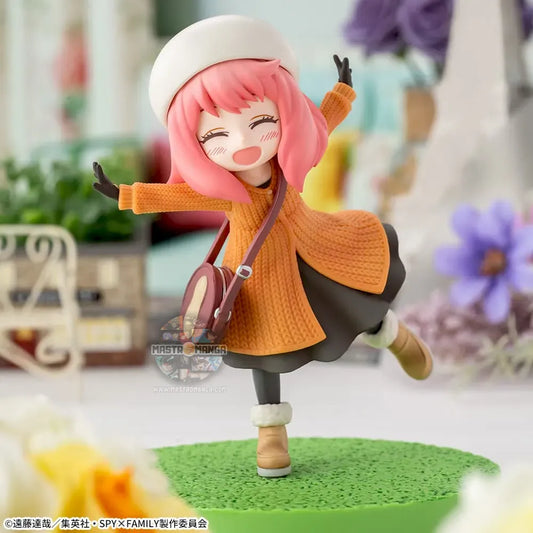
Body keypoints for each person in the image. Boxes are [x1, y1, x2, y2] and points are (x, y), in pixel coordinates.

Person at [93, 14, 433, 479]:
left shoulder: (291, 160)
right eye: (216, 135)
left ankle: (393, 335)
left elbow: (322, 123)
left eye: (261, 122)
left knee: (351, 297)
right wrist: (126, 194)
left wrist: (341, 92)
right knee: (260, 346)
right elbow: (176, 195)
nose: (243, 143)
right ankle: (271, 430)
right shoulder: (222, 188)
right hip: (255, 274)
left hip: (313, 245)